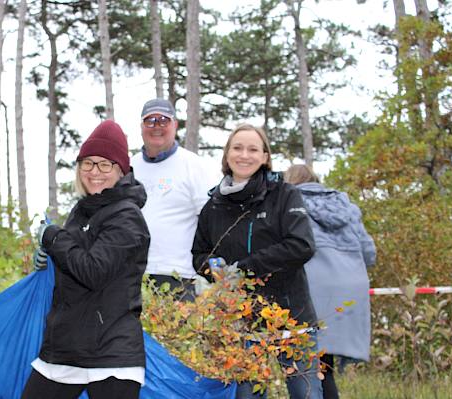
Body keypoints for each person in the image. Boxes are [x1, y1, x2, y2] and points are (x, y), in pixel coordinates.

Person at [23, 120, 151, 399]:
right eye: (88, 163)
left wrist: (53, 238)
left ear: (121, 170)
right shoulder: (81, 212)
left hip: (111, 355)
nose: (94, 172)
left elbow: (93, 271)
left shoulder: (127, 216)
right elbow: (73, 259)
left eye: (105, 164)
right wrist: (49, 259)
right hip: (65, 348)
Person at [191, 124, 320, 399]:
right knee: (245, 396)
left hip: (291, 316)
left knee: (305, 394)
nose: (244, 155)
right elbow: (198, 254)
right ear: (227, 155)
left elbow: (302, 245)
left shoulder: (285, 194)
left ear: (264, 157)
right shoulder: (212, 205)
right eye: (237, 148)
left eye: (253, 149)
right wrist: (213, 268)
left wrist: (246, 268)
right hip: (240, 322)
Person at [285, 164, 377, 399]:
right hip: (350, 286)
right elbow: (369, 254)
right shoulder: (347, 207)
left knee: (309, 366)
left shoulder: (290, 204)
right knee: (324, 365)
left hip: (313, 285)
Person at [131, 98, 217, 301]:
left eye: (163, 120)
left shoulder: (194, 166)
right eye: (150, 120)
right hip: (132, 274)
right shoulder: (128, 166)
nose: (156, 126)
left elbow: (211, 221)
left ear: (175, 125)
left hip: (178, 276)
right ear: (141, 126)